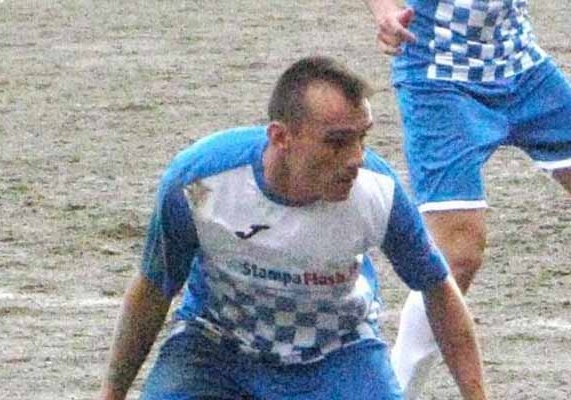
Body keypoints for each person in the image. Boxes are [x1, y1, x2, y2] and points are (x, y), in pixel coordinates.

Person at [99, 56, 487, 400]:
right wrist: (111, 395)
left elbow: (437, 288)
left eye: (362, 138)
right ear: (281, 137)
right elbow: (154, 287)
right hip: (215, 348)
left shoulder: (379, 191)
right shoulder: (199, 184)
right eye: (337, 142)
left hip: (339, 352)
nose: (356, 158)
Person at [365, 0, 571, 398]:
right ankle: (396, 391)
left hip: (523, 66)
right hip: (439, 77)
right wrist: (385, 11)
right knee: (456, 255)